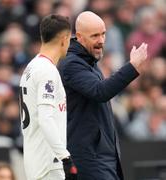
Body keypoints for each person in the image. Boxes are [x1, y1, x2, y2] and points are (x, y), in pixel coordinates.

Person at [58, 11, 147, 180]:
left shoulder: (89, 60)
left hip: (102, 154)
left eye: (103, 34)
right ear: (80, 37)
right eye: (95, 35)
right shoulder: (72, 63)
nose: (101, 40)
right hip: (89, 157)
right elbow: (101, 92)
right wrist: (132, 67)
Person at [19, 14, 77, 180]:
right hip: (48, 164)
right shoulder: (47, 71)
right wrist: (65, 157)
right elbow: (46, 118)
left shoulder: (31, 67)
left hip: (34, 160)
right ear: (64, 39)